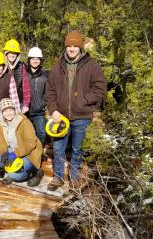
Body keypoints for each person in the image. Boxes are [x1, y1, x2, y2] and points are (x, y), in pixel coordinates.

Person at [45, 31, 107, 190]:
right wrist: (53, 111)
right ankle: (58, 177)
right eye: (69, 46)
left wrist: (84, 101)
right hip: (61, 116)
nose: (72, 49)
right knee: (58, 147)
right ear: (65, 47)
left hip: (82, 116)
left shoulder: (91, 65)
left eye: (75, 46)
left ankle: (74, 177)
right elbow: (50, 91)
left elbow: (100, 88)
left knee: (77, 149)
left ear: (80, 47)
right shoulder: (58, 66)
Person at [0, 98, 43, 187]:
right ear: (2, 113)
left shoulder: (24, 122)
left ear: (14, 110)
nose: (8, 113)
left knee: (15, 175)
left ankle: (36, 172)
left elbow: (31, 142)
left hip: (28, 154)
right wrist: (3, 153)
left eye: (10, 110)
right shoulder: (1, 123)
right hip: (12, 150)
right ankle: (11, 169)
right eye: (5, 111)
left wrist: (14, 154)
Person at [26, 46, 47, 147]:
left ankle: (39, 153)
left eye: (37, 59)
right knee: (25, 134)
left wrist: (44, 103)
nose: (35, 61)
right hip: (25, 110)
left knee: (42, 133)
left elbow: (48, 91)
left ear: (41, 60)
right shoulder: (23, 73)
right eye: (33, 59)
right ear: (29, 60)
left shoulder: (45, 74)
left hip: (39, 109)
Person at [3, 39, 30, 113]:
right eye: (10, 52)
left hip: (19, 102)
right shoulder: (1, 67)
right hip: (4, 103)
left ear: (18, 55)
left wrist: (26, 104)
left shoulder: (22, 66)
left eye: (14, 53)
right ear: (6, 54)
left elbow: (26, 87)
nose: (12, 55)